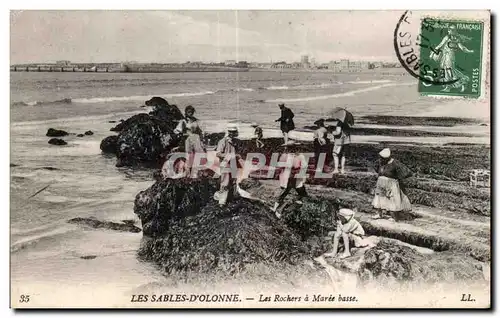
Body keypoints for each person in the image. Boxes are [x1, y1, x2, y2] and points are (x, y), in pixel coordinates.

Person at [430, 25, 475, 92]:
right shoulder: (447, 37)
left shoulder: (457, 39)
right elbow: (440, 45)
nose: (450, 31)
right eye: (449, 30)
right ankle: (449, 87)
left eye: (451, 30)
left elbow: (462, 48)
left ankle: (462, 82)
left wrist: (469, 51)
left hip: (450, 56)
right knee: (446, 70)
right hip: (444, 56)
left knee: (449, 70)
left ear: (454, 31)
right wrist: (432, 53)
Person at [372, 148, 413, 221]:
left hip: (391, 184)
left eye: (383, 158)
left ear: (388, 158)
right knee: (379, 197)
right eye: (381, 158)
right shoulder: (380, 162)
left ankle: (393, 217)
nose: (381, 159)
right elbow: (376, 168)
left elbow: (407, 172)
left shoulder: (395, 163)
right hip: (381, 183)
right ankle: (379, 214)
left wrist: (397, 178)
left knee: (392, 199)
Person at [271, 142, 308, 218]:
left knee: (302, 195)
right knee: (283, 192)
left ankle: (287, 210)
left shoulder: (300, 156)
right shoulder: (285, 156)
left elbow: (304, 167)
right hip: (287, 177)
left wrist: (303, 176)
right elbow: (278, 164)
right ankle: (276, 209)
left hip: (296, 177)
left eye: (292, 148)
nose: (291, 150)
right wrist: (286, 165)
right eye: (289, 148)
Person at [214, 124, 245, 206]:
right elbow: (218, 154)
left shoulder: (236, 141)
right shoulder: (223, 141)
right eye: (231, 132)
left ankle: (230, 198)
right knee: (225, 182)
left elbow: (238, 152)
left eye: (234, 132)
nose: (232, 133)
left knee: (234, 181)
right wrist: (229, 155)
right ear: (228, 132)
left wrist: (238, 156)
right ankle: (222, 202)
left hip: (233, 163)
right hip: (225, 164)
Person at [173, 105, 206, 174]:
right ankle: (188, 171)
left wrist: (202, 141)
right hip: (188, 139)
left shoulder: (196, 121)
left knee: (199, 154)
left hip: (196, 139)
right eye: (189, 112)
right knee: (189, 155)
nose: (190, 113)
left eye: (191, 112)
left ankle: (198, 171)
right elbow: (176, 131)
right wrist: (183, 134)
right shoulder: (183, 121)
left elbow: (200, 132)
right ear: (186, 112)